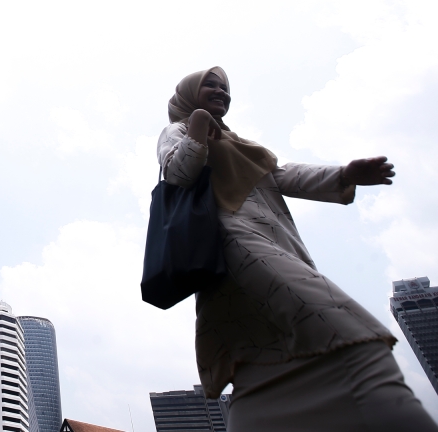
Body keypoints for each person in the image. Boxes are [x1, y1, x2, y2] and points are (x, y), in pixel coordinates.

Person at [158, 67, 437, 431]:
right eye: (210, 84)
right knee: (342, 328)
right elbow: (179, 173)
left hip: (276, 248)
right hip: (233, 245)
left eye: (225, 87)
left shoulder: (242, 146)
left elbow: (284, 175)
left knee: (256, 365)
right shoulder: (178, 130)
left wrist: (344, 175)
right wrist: (197, 126)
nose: (221, 91)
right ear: (188, 93)